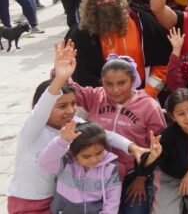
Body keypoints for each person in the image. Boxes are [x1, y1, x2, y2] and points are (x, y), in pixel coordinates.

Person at [7, 42, 143, 214]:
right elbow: (42, 108)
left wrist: (132, 147)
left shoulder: (72, 125)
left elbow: (102, 134)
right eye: (62, 106)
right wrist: (59, 79)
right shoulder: (32, 129)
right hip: (26, 201)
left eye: (73, 104)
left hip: (55, 201)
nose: (71, 111)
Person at [67, 55, 166, 213]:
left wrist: (141, 178)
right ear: (101, 81)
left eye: (122, 83)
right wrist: (61, 73)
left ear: (132, 80)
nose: (115, 90)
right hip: (96, 173)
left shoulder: (149, 107)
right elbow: (71, 90)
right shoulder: (95, 96)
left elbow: (157, 148)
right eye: (108, 84)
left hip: (133, 177)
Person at [66, 0, 170, 96]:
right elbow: (81, 77)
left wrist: (147, 93)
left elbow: (164, 62)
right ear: (90, 2)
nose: (106, 1)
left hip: (146, 97)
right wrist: (114, 98)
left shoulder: (143, 21)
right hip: (104, 103)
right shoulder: (79, 34)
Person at [37, 121, 121, 213]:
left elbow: (113, 200)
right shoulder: (65, 163)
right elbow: (43, 162)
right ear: (72, 153)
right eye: (86, 156)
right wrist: (62, 141)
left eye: (99, 153)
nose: (94, 160)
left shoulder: (110, 168)